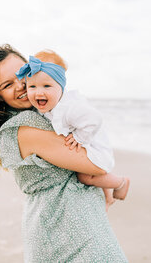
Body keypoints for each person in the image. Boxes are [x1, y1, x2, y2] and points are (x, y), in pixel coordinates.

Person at [0, 44, 128, 262]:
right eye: (7, 84)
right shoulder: (24, 127)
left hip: (71, 229)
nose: (21, 85)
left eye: (22, 74)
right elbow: (95, 165)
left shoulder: (47, 112)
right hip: (71, 237)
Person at [15, 50, 130, 210]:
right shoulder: (51, 103)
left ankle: (121, 182)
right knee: (94, 175)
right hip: (90, 143)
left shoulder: (70, 108)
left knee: (85, 176)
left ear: (60, 87)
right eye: (32, 86)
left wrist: (79, 138)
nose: (39, 92)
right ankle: (108, 196)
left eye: (47, 86)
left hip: (95, 146)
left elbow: (95, 119)